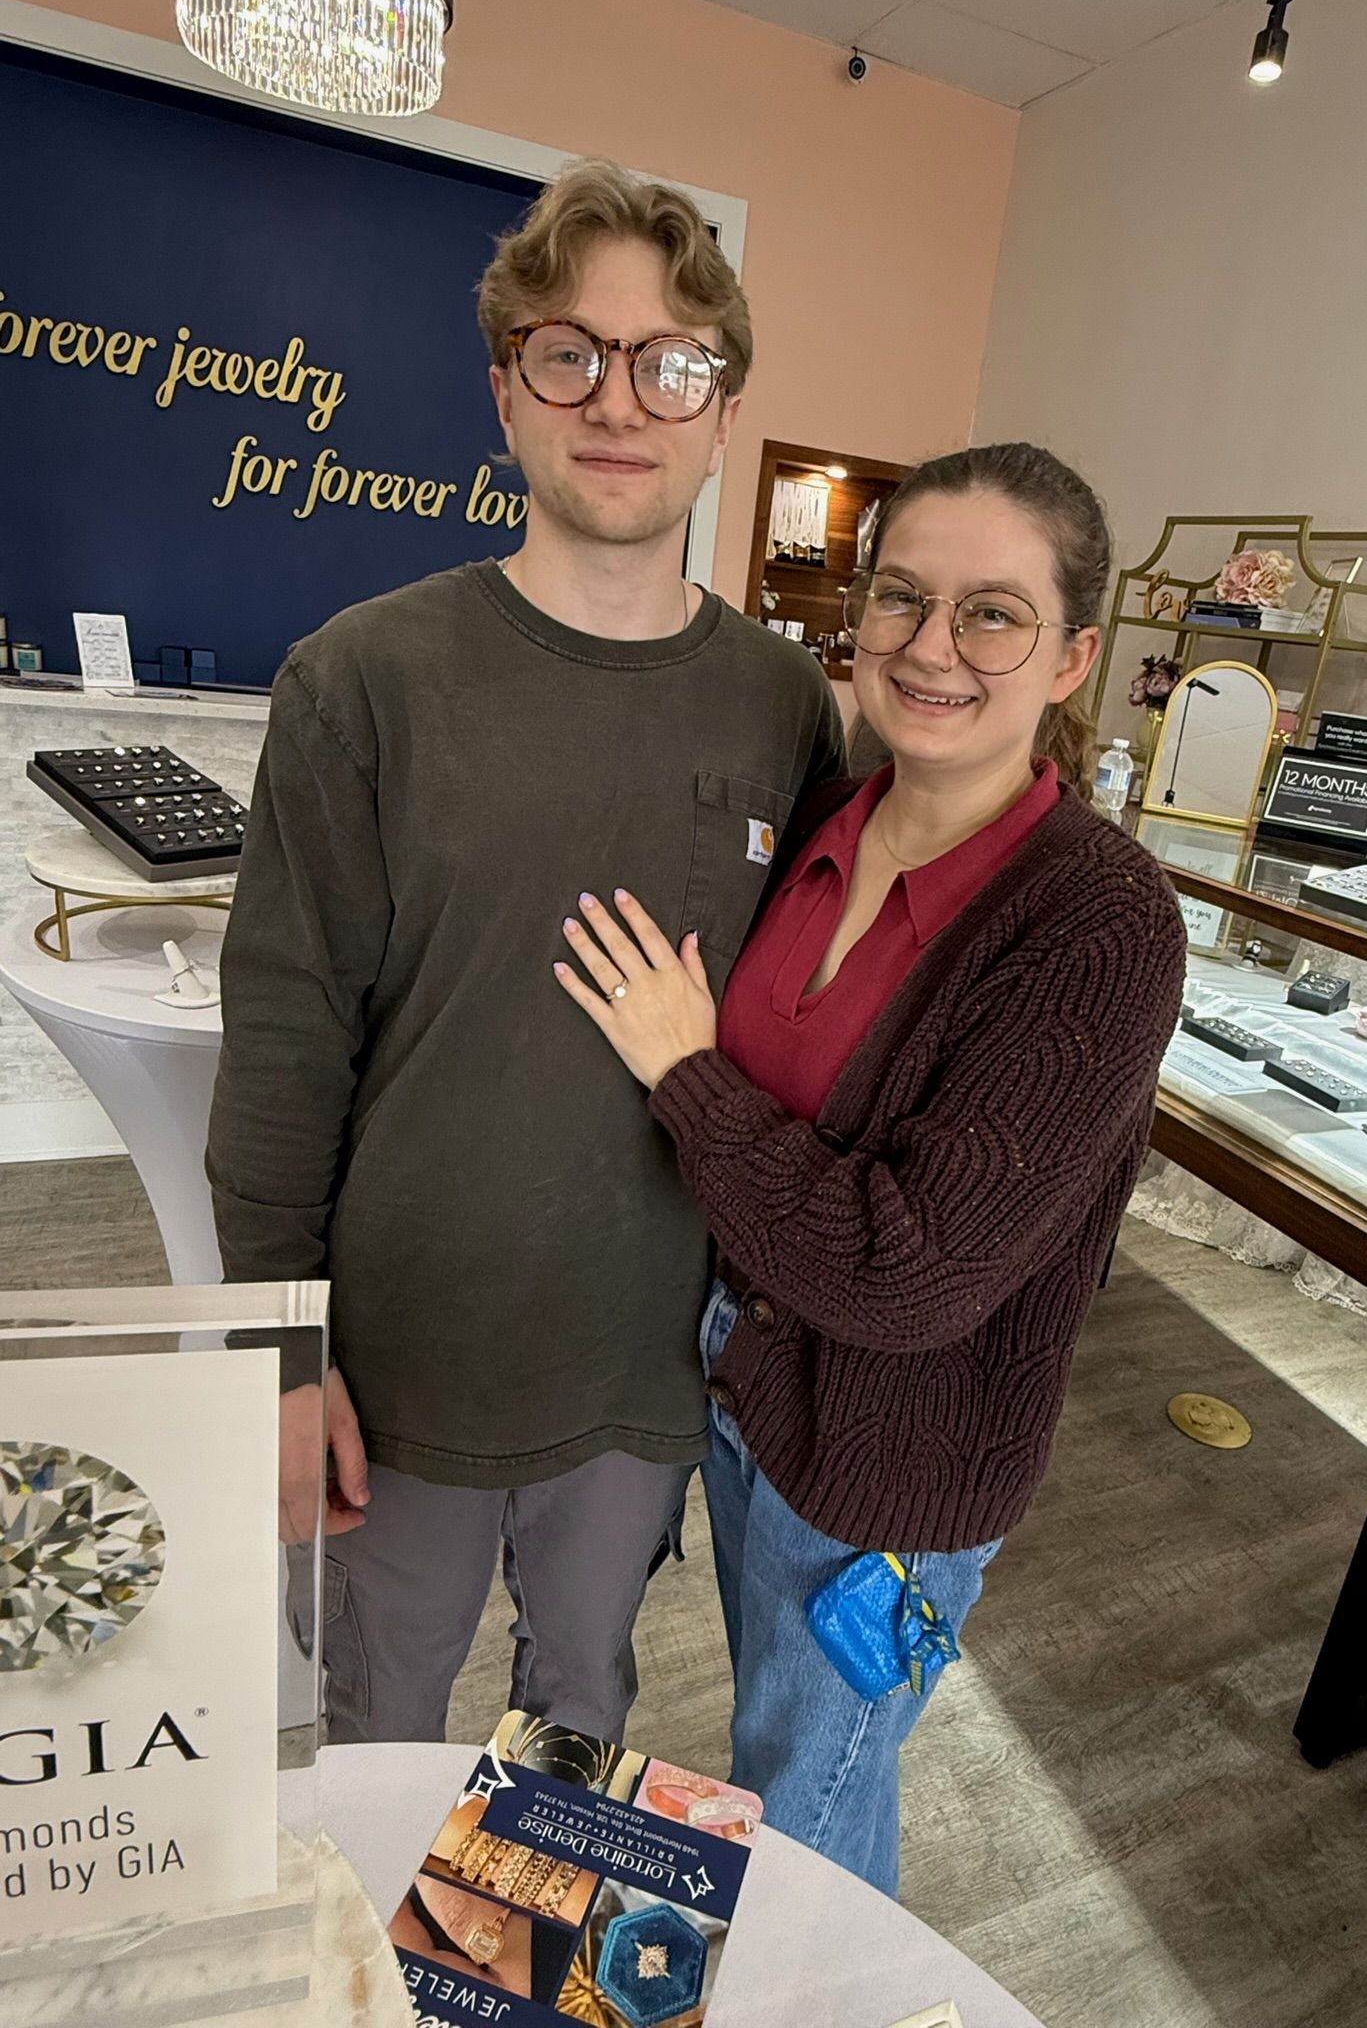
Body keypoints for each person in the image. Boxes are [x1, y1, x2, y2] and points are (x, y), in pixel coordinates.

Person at [206, 159, 844, 1747]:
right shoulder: (362, 681)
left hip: (642, 1373)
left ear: (719, 404)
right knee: (378, 1731)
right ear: (507, 391)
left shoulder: (783, 710)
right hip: (403, 1370)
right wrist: (281, 1357)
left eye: (669, 362)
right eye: (570, 352)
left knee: (576, 1729)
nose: (618, 399)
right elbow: (286, 1042)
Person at [554, 441, 1186, 1893]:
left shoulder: (1102, 924)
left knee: (806, 1833)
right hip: (743, 1391)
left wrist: (684, 1070)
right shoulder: (826, 818)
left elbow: (908, 1274)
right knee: (779, 1751)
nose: (932, 647)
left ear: (1075, 654)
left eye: (992, 614)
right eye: (903, 598)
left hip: (893, 1471)